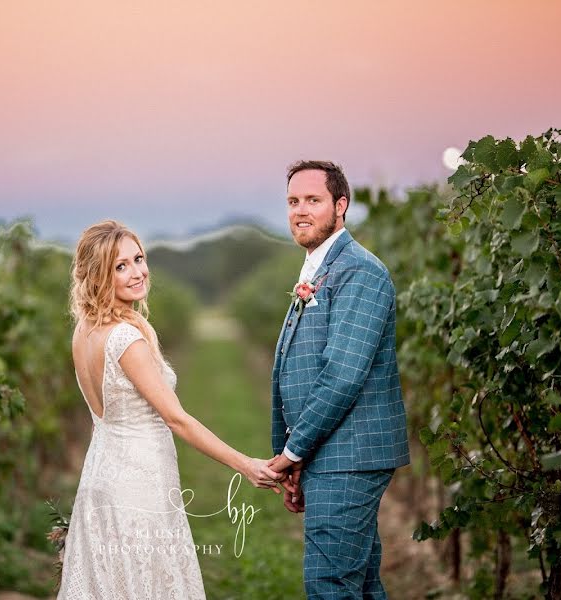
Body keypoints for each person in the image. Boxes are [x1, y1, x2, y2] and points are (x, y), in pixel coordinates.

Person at [58, 220, 282, 599]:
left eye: (138, 259)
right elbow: (177, 419)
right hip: (138, 485)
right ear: (98, 276)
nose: (137, 272)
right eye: (120, 266)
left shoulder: (85, 330)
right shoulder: (126, 338)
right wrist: (246, 464)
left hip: (100, 477)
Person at [267, 161, 410, 598]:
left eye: (313, 200)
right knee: (360, 585)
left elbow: (342, 376)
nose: (300, 210)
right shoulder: (319, 267)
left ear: (341, 205)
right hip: (329, 454)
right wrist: (295, 458)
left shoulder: (359, 271)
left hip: (350, 455)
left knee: (330, 586)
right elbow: (296, 367)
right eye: (293, 201)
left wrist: (293, 452)